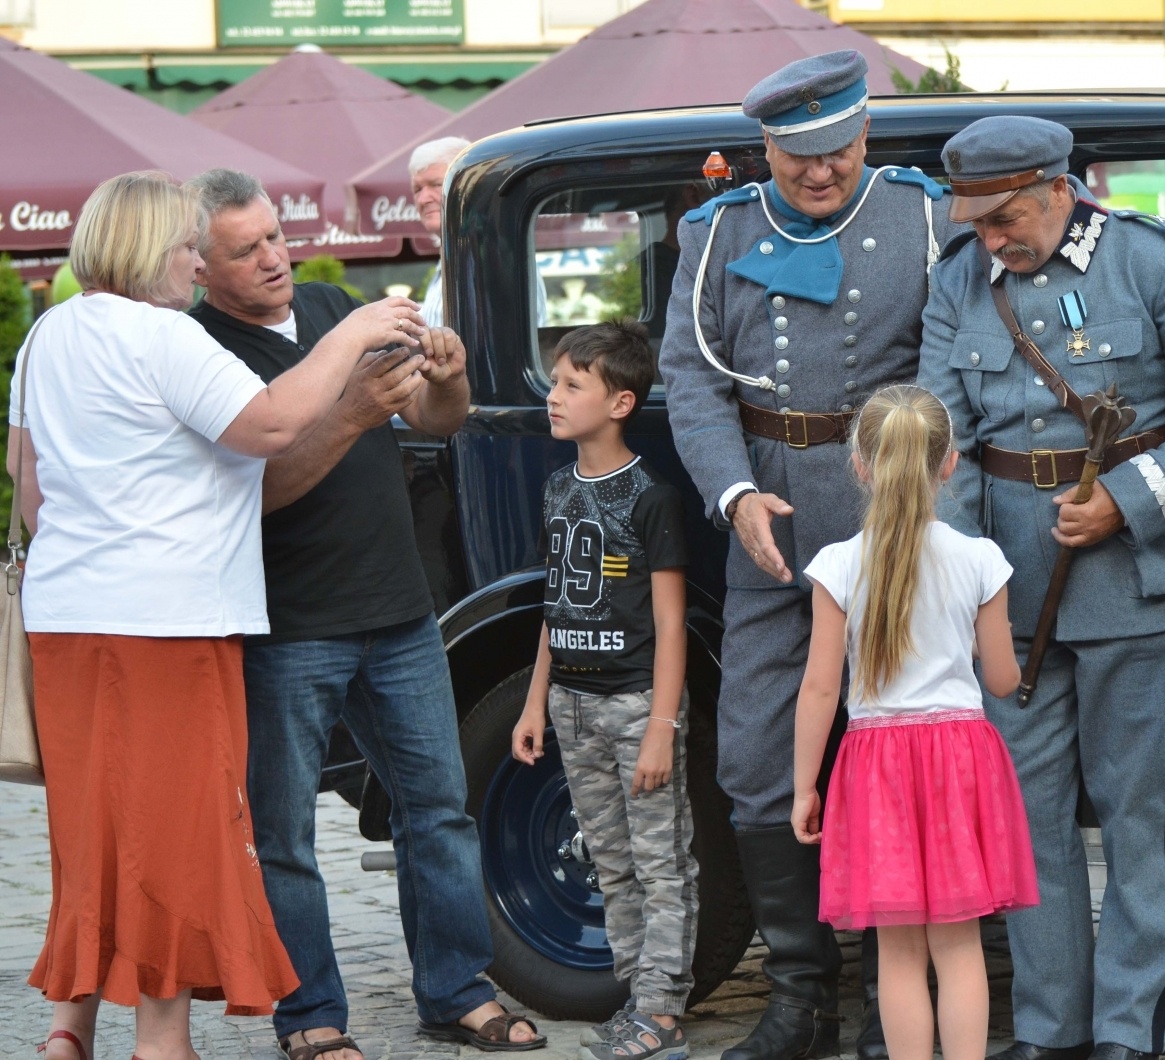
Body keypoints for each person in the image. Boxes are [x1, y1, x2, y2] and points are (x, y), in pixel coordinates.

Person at [11, 170, 423, 1060]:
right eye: (186, 246)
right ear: (148, 247)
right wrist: (353, 328)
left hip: (68, 618)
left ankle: (66, 1027)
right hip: (168, 620)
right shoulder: (164, 336)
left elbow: (29, 484)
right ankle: (163, 1042)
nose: (197, 266)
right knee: (178, 829)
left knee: (92, 827)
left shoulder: (49, 332)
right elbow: (272, 424)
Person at [917, 117, 1165, 1060]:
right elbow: (938, 448)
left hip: (1135, 586)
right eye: (979, 222)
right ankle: (1050, 1031)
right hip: (1013, 602)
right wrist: (969, 580)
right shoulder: (959, 278)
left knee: (1134, 814)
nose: (993, 239)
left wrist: (1123, 502)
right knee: (1025, 823)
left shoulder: (1149, 262)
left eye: (1008, 218)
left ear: (1060, 189)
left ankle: (1124, 1033)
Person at [184, 168, 544, 1060]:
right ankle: (311, 1017)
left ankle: (454, 990)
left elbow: (433, 415)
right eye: (247, 249)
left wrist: (451, 381)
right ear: (199, 267)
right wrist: (346, 415)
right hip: (287, 627)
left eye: (275, 235)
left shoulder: (329, 301)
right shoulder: (197, 351)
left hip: (400, 611)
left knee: (441, 811)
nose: (274, 258)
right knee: (286, 836)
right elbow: (251, 495)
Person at [658, 49, 954, 1060]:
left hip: (890, 527)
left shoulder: (923, 216)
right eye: (798, 161)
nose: (820, 177)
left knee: (893, 760)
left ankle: (890, 999)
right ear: (765, 152)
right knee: (750, 760)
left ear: (866, 138)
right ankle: (798, 999)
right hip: (770, 536)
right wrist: (734, 494)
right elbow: (691, 383)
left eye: (837, 155)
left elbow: (954, 364)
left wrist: (913, 499)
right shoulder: (716, 234)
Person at [791, 384, 1037, 1060]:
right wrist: (1023, 659)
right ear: (950, 463)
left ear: (861, 466)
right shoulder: (981, 560)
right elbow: (1001, 681)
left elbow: (818, 688)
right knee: (958, 944)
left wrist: (804, 787)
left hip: (875, 766)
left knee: (897, 950)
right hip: (959, 757)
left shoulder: (838, 566)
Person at [511, 320, 698, 1060]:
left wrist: (661, 722)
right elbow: (556, 606)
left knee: (661, 861)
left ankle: (664, 1011)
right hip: (572, 706)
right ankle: (635, 998)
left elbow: (672, 622)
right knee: (609, 859)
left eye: (570, 385)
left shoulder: (651, 495)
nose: (553, 397)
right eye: (554, 382)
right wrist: (534, 703)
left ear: (619, 402)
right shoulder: (558, 488)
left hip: (633, 706)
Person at [410, 136, 471, 328]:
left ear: (469, 185)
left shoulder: (490, 256)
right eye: (417, 189)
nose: (423, 199)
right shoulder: (452, 257)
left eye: (436, 184)